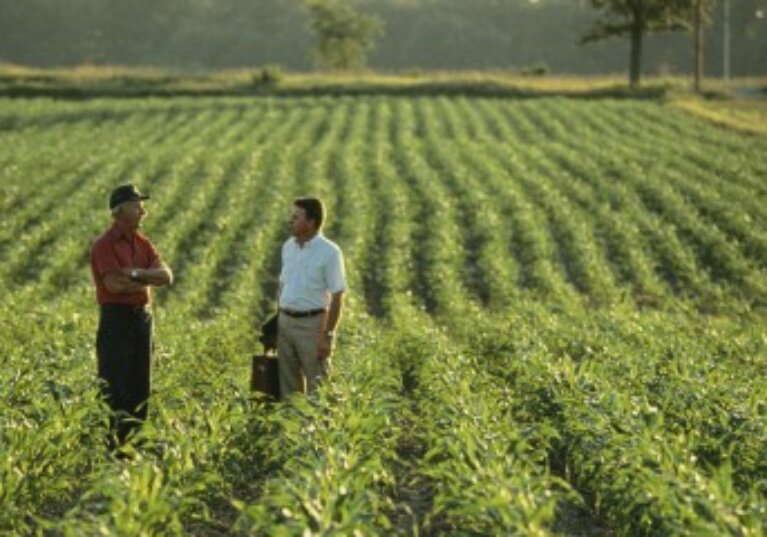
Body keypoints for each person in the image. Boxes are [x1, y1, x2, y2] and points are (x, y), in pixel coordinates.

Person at [89, 184, 173, 448]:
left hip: (142, 319)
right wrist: (148, 278)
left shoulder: (143, 243)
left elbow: (166, 276)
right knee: (115, 386)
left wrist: (135, 274)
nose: (142, 210)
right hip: (116, 320)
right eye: (136, 205)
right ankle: (114, 448)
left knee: (140, 385)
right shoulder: (104, 245)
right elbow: (114, 286)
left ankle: (135, 447)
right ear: (119, 211)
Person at [277, 197, 347, 397]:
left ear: (311, 222)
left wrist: (328, 335)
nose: (291, 220)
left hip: (312, 325)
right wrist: (277, 322)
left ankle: (319, 428)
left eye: (296, 217)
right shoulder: (288, 247)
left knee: (319, 388)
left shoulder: (329, 252)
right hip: (286, 323)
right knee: (288, 387)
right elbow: (283, 286)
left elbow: (338, 295)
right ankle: (290, 426)